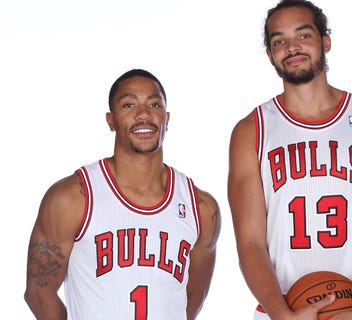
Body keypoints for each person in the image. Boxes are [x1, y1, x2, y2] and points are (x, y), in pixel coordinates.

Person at [228, 0, 352, 319]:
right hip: (280, 310)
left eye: (303, 35)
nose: (291, 47)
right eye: (279, 41)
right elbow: (250, 242)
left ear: (325, 41)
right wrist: (283, 315)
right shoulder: (251, 130)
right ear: (270, 55)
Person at [24, 69, 221, 320]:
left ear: (166, 118)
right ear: (111, 120)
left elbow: (194, 297)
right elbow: (39, 293)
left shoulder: (202, 208)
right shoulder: (73, 198)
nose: (144, 114)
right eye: (129, 105)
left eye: (154, 103)